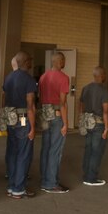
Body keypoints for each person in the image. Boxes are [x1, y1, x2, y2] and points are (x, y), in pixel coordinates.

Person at [2, 51, 37, 198]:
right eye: (30, 60)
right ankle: (19, 188)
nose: (31, 63)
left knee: (12, 151)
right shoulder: (28, 79)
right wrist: (33, 127)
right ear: (25, 62)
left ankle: (11, 186)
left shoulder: (9, 77)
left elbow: (5, 99)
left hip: (10, 118)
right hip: (23, 118)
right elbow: (30, 105)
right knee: (23, 153)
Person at [38, 52, 70, 193]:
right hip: (57, 116)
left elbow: (40, 98)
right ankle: (51, 183)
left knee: (46, 148)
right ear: (59, 61)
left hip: (45, 115)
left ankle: (45, 179)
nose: (64, 62)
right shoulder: (64, 78)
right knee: (55, 151)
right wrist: (65, 123)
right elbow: (63, 103)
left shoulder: (43, 77)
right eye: (63, 60)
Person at [79, 66, 108, 186]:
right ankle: (91, 178)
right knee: (96, 151)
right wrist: (107, 128)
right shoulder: (104, 91)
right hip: (98, 124)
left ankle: (86, 174)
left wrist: (82, 119)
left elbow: (81, 105)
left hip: (87, 123)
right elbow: (106, 111)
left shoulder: (85, 88)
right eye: (105, 75)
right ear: (101, 76)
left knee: (88, 149)